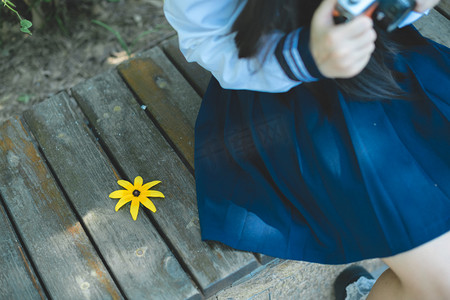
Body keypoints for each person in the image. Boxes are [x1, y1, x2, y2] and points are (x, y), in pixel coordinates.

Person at [164, 0, 450, 299]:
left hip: (390, 63)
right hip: (296, 102)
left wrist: (407, 6)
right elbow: (206, 42)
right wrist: (306, 57)